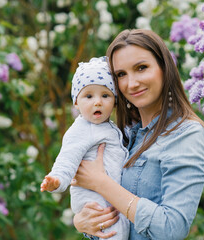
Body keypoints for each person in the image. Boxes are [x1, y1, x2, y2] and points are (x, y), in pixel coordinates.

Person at [72, 29, 204, 240]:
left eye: (141, 68)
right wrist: (82, 222)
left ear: (164, 69)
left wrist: (101, 183)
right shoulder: (124, 137)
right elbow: (108, 213)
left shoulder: (186, 134)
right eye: (121, 74)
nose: (132, 83)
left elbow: (172, 229)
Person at [40, 57, 129, 240]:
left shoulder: (108, 127)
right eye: (88, 96)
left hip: (108, 195)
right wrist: (57, 180)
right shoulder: (80, 130)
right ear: (76, 102)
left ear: (114, 101)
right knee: (114, 233)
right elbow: (67, 159)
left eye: (105, 96)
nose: (97, 102)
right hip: (94, 201)